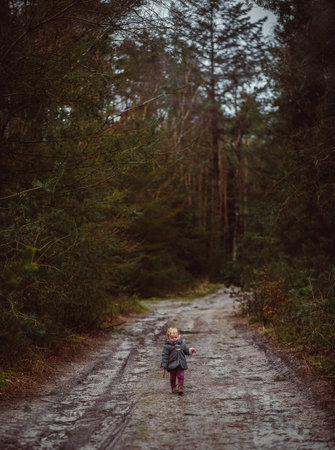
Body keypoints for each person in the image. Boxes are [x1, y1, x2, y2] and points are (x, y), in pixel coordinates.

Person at [160, 327, 196, 395]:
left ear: (178, 336)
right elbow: (165, 356)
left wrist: (191, 350)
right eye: (172, 337)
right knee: (172, 378)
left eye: (175, 337)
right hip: (172, 365)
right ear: (168, 337)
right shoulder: (167, 346)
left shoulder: (181, 344)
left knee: (181, 376)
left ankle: (180, 387)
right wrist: (163, 365)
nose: (174, 339)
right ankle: (173, 387)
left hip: (180, 364)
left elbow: (186, 350)